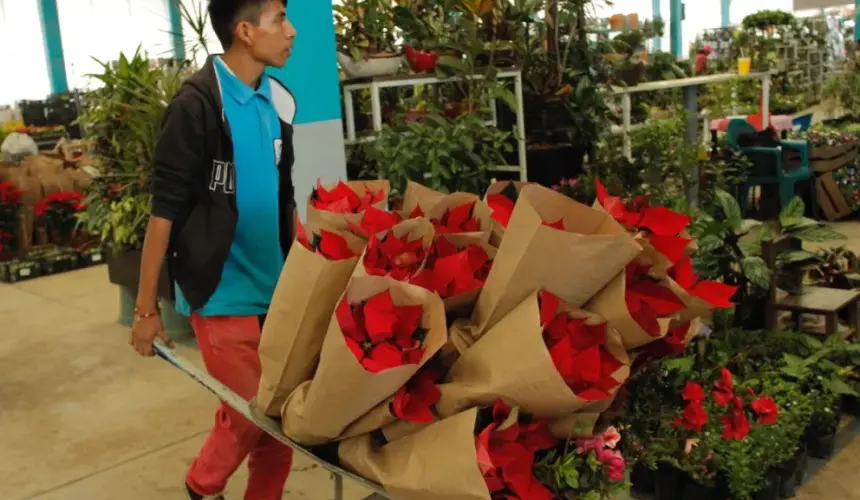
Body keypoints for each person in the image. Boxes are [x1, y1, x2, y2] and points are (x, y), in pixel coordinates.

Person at [129, 1, 298, 499]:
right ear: (245, 31)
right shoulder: (196, 105)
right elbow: (163, 212)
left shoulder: (277, 100)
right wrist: (145, 308)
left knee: (281, 429)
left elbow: (283, 194)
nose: (290, 32)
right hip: (221, 289)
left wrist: (312, 268)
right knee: (252, 415)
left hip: (277, 291)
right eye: (279, 20)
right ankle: (202, 487)